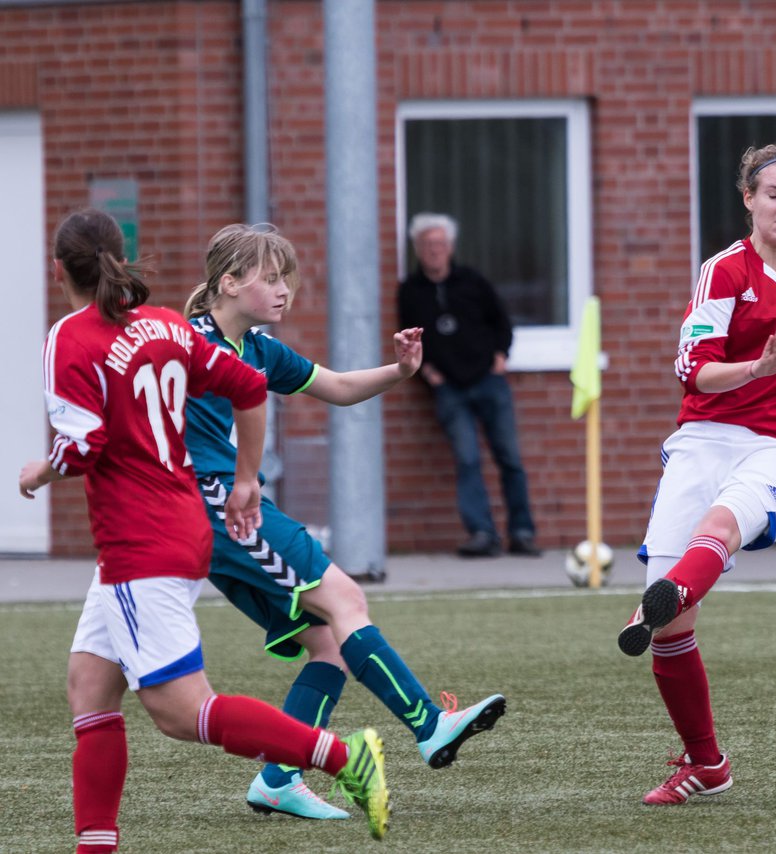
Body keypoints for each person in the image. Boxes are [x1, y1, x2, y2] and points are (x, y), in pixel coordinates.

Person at [18, 209, 389, 851]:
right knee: (90, 689)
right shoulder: (164, 324)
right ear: (119, 256)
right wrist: (247, 478)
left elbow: (83, 444)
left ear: (58, 272)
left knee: (181, 712)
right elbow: (248, 385)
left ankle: (338, 756)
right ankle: (94, 845)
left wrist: (40, 469)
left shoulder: (71, 337)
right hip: (179, 529)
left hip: (141, 542)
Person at [183, 223, 506, 820]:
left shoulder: (256, 348)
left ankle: (279, 778)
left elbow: (334, 385)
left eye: (287, 279)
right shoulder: (187, 342)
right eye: (270, 278)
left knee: (327, 643)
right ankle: (429, 724)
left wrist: (399, 371)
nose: (284, 291)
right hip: (219, 509)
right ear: (227, 282)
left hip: (228, 509)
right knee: (346, 598)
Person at [615, 136, 776, 805]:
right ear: (749, 199)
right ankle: (708, 765)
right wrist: (757, 368)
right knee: (669, 630)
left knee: (720, 527)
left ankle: (668, 592)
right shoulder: (724, 271)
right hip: (705, 434)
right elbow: (692, 368)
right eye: (773, 194)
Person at [396, 212, 541, 558]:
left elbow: (502, 322)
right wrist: (429, 373)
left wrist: (500, 357)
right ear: (417, 249)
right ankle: (481, 534)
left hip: (489, 382)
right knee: (467, 459)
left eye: (440, 244)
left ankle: (522, 532)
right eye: (427, 245)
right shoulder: (410, 291)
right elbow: (407, 337)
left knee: (509, 457)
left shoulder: (473, 282)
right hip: (450, 390)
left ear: (450, 247)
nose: (434, 251)